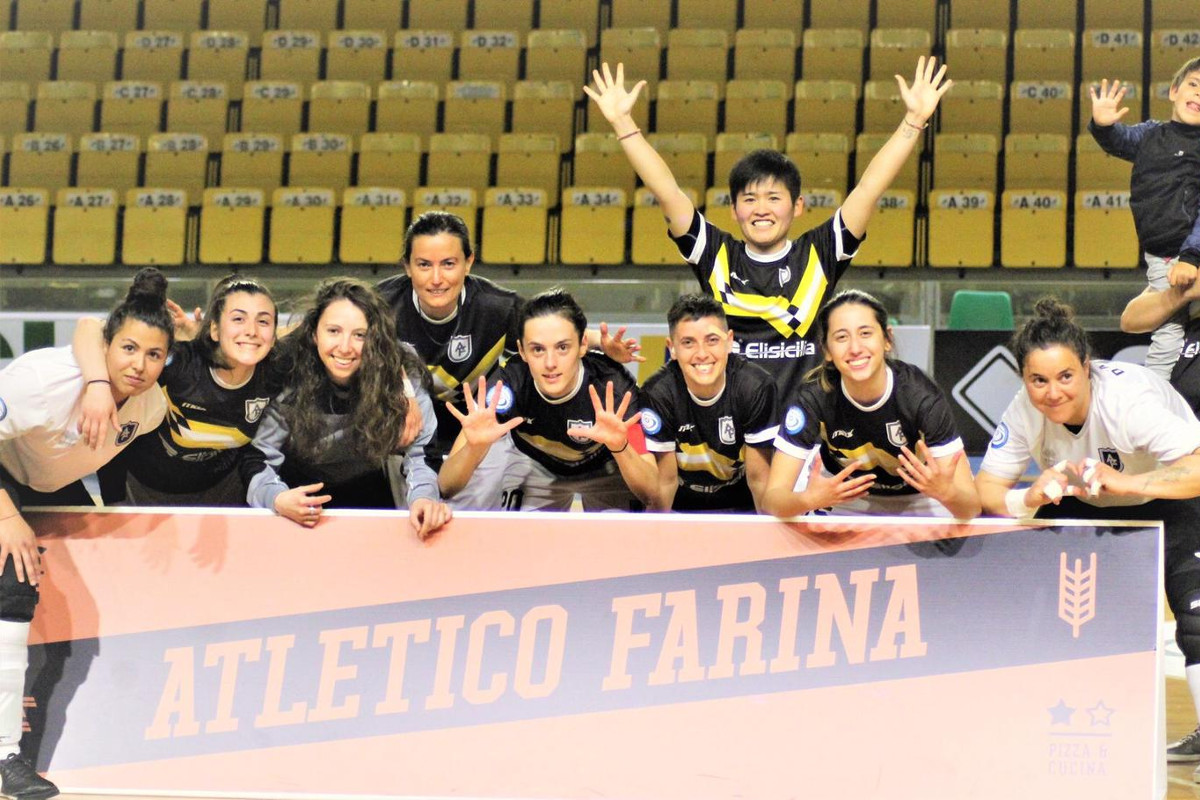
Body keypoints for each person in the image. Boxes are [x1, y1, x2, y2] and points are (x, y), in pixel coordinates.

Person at [585, 57, 951, 396]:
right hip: (735, 427)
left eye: (774, 198)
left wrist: (913, 121)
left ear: (797, 206)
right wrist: (623, 123)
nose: (761, 210)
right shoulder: (715, 255)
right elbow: (667, 191)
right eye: (749, 199)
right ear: (734, 210)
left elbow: (869, 189)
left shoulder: (819, 253)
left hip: (803, 429)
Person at [975, 298, 1200, 772]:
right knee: (1052, 617)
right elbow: (987, 490)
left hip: (1169, 492)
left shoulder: (1129, 402)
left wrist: (1130, 483)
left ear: (1087, 367)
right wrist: (1029, 497)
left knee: (1196, 616)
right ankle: (1055, 734)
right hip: (1083, 498)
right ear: (1023, 379)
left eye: (1065, 377)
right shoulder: (1024, 411)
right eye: (1038, 380)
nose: (1052, 393)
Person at [0, 268, 174, 799]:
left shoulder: (150, 408)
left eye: (154, 355)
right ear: (105, 347)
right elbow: (85, 326)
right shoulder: (40, 383)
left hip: (40, 480)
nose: (139, 365)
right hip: (6, 473)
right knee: (15, 583)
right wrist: (7, 518)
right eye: (128, 349)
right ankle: (5, 757)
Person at [377, 211, 642, 510]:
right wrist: (406, 392)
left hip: (479, 432)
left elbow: (547, 329)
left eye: (448, 264)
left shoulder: (497, 306)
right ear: (407, 266)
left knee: (471, 523)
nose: (437, 278)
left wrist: (601, 343)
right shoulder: (379, 307)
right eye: (424, 264)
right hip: (405, 431)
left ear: (468, 262)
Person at [242, 278, 451, 539]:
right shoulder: (284, 372)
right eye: (333, 331)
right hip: (295, 493)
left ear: (375, 339)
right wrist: (276, 497)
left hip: (370, 492)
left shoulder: (402, 369)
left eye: (360, 335)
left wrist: (424, 498)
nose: (344, 347)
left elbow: (422, 454)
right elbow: (257, 456)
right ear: (314, 333)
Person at [762, 290, 980, 519]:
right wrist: (809, 499)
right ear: (826, 350)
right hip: (839, 495)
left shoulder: (921, 396)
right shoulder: (813, 396)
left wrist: (946, 493)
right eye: (841, 337)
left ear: (887, 339)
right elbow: (772, 500)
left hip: (921, 496)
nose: (855, 348)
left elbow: (971, 507)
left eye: (865, 333)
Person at [438, 288, 658, 511]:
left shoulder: (613, 388)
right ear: (522, 351)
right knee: (513, 531)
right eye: (537, 350)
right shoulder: (506, 387)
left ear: (583, 345)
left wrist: (620, 447)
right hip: (535, 465)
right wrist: (474, 449)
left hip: (606, 468)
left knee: (623, 532)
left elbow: (651, 492)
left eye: (562, 348)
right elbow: (446, 486)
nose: (550, 363)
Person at [73, 275, 282, 506]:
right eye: (238, 319)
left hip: (221, 492)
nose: (252, 330)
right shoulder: (179, 363)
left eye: (263, 321)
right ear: (214, 328)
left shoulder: (277, 369)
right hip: (141, 487)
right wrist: (98, 386)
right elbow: (90, 327)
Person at [1091, 59, 1200, 377]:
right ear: (1174, 91)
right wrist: (1103, 126)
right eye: (1194, 85)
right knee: (1168, 331)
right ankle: (1159, 395)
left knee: (1170, 334)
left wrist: (1191, 257)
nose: (1199, 94)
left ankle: (1157, 394)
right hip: (1160, 254)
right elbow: (1119, 140)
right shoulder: (1151, 135)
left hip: (1189, 250)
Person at [639, 294, 777, 511]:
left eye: (712, 340)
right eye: (688, 343)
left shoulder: (756, 387)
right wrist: (658, 532)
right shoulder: (657, 393)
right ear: (672, 348)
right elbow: (666, 482)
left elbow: (759, 480)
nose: (702, 354)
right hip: (681, 507)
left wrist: (765, 532)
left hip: (743, 505)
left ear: (729, 342)